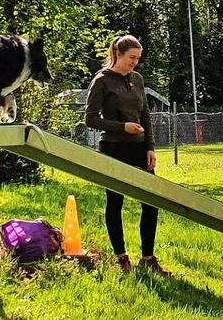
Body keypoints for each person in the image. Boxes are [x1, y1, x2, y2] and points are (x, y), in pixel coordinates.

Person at [84, 35, 171, 276]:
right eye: (132, 58)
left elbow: (144, 116)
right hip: (113, 148)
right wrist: (123, 127)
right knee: (115, 202)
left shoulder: (138, 79)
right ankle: (121, 257)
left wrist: (150, 147)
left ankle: (148, 257)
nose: (135, 63)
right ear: (118, 54)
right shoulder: (101, 80)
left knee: (151, 202)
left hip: (139, 147)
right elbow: (90, 119)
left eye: (138, 58)